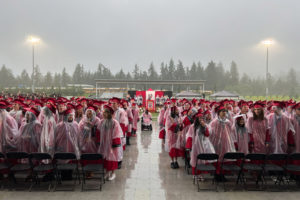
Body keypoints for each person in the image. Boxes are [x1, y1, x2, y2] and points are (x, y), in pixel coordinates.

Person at [186, 111, 215, 178]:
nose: (201, 120)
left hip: (204, 145)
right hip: (195, 145)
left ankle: (200, 174)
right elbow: (189, 136)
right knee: (195, 159)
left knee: (201, 160)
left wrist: (204, 126)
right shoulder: (192, 126)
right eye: (199, 118)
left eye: (202, 118)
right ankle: (195, 174)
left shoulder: (206, 126)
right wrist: (189, 145)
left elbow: (207, 134)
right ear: (196, 119)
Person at [97, 105, 123, 181]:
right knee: (105, 157)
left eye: (105, 112)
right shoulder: (101, 121)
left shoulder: (115, 122)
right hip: (104, 143)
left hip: (112, 144)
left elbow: (117, 133)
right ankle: (107, 172)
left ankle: (112, 173)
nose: (103, 114)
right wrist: (99, 141)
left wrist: (114, 143)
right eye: (103, 112)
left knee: (112, 158)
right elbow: (98, 131)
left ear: (109, 114)